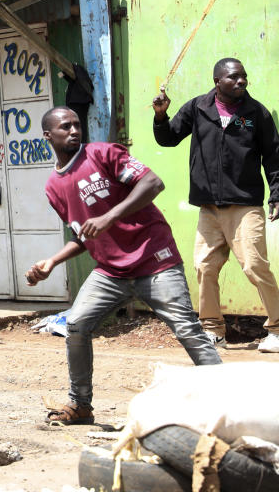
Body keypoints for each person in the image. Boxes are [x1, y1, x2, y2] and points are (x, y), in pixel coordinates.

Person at [27, 106, 221, 425]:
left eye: (77, 124)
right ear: (48, 135)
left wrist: (109, 216)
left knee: (188, 329)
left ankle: (227, 401)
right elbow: (83, 235)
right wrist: (52, 261)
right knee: (76, 325)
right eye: (65, 126)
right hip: (111, 272)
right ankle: (81, 406)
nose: (74, 130)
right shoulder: (54, 187)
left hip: (154, 258)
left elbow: (153, 184)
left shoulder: (104, 153)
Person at [153, 58, 279, 352]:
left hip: (244, 205)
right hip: (208, 207)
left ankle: (276, 328)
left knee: (254, 266)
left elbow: (273, 157)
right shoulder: (197, 108)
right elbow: (169, 138)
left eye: (244, 77)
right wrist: (160, 116)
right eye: (234, 77)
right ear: (217, 81)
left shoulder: (255, 113)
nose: (241, 82)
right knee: (204, 267)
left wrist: (276, 194)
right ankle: (213, 330)